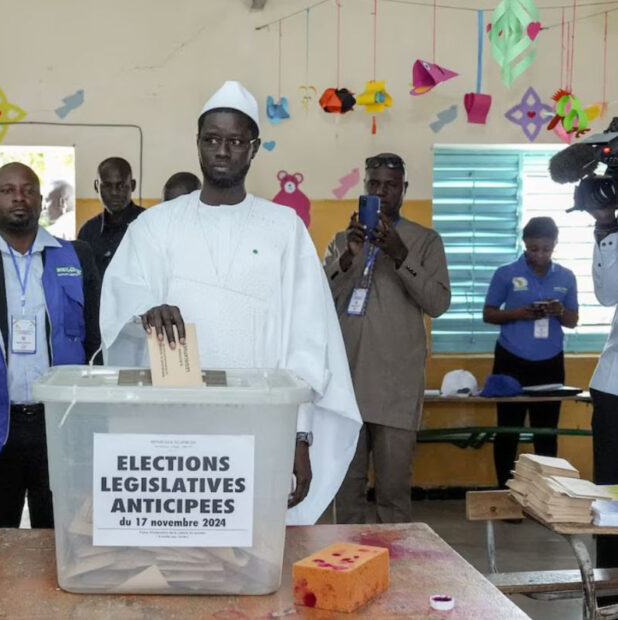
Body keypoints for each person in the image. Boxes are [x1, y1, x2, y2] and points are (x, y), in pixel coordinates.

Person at [100, 80, 362, 525]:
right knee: (179, 546)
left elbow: (306, 337)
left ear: (254, 148)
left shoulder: (284, 229)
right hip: (173, 431)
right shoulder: (155, 227)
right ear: (198, 144)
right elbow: (122, 296)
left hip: (261, 427)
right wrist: (146, 310)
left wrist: (301, 436)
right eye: (212, 139)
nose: (223, 150)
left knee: (254, 550)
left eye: (236, 141)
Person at [0, 162, 101, 577]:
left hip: (60, 427)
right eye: (8, 190)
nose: (19, 197)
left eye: (28, 189)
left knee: (66, 543)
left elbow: (96, 340)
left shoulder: (74, 256)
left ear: (40, 198)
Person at [325, 152, 451, 524]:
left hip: (396, 385)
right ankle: (346, 571)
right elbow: (318, 299)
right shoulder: (341, 241)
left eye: (390, 185)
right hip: (347, 384)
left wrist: (399, 254)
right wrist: (347, 258)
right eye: (374, 185)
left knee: (393, 495)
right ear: (365, 188)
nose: (382, 192)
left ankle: (396, 574)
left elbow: (438, 302)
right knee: (346, 492)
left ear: (404, 190)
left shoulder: (425, 241)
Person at [483, 217, 578, 488]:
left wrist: (559, 311)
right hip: (510, 360)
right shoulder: (506, 273)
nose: (540, 254)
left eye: (546, 249)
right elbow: (488, 314)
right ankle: (506, 494)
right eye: (534, 248)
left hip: (550, 363)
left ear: (555, 245)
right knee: (508, 431)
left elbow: (572, 320)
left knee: (546, 433)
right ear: (524, 244)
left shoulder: (566, 277)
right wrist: (519, 313)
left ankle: (544, 497)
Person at [584, 192, 618, 572]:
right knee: (612, 499)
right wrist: (607, 224)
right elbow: (608, 294)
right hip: (615, 387)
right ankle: (610, 596)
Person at [77, 157, 143, 279]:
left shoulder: (148, 224)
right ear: (96, 186)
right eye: (107, 186)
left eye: (121, 186)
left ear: (132, 185)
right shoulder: (88, 232)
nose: (114, 192)